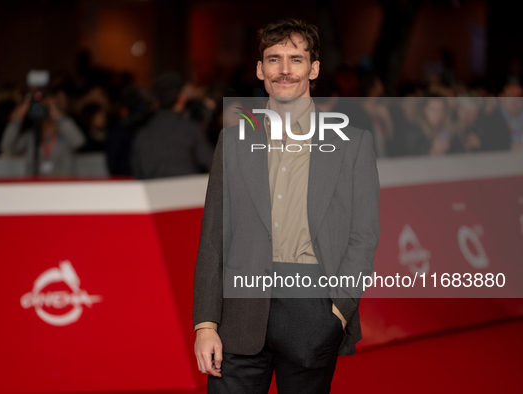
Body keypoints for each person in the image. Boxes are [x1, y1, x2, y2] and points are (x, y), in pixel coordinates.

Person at [193, 19, 380, 393]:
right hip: (239, 311)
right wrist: (206, 325)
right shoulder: (233, 142)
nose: (284, 70)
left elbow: (364, 236)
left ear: (313, 69)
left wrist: (338, 312)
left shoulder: (352, 144)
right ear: (260, 69)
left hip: (312, 309)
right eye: (273, 59)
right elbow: (214, 237)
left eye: (296, 59)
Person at [130, 71, 214, 179]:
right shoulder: (191, 129)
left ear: (156, 101)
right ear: (181, 99)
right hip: (188, 193)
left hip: (153, 194)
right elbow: (213, 165)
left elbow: (137, 172)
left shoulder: (142, 133)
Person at [0, 94, 85, 176]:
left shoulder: (66, 135)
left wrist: (56, 112)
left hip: (63, 186)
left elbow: (79, 141)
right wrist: (19, 116)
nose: (44, 110)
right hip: (35, 186)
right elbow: (7, 146)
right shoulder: (30, 137)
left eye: (46, 107)